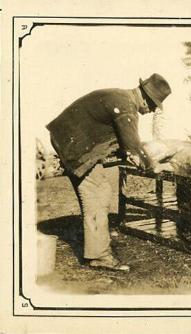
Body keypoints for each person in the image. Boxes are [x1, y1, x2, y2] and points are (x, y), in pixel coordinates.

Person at [46, 73, 171, 271]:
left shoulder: (120, 98)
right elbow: (132, 148)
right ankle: (100, 255)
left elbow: (122, 145)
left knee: (97, 192)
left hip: (68, 138)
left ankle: (97, 243)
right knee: (98, 192)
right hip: (74, 144)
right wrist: (153, 166)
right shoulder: (126, 106)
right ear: (145, 97)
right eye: (154, 104)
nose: (152, 110)